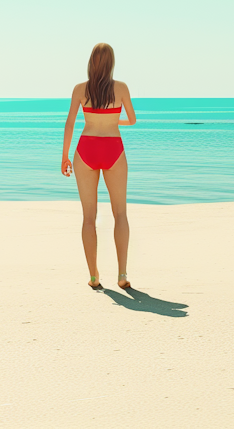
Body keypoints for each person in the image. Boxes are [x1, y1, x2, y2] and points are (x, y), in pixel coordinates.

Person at [61, 42, 136, 290]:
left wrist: (65, 156)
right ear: (111, 62)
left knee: (88, 218)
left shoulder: (80, 89)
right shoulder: (122, 88)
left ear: (91, 62)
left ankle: (94, 276)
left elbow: (70, 123)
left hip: (86, 150)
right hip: (113, 148)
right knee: (120, 214)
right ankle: (122, 274)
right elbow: (133, 120)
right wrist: (115, 121)